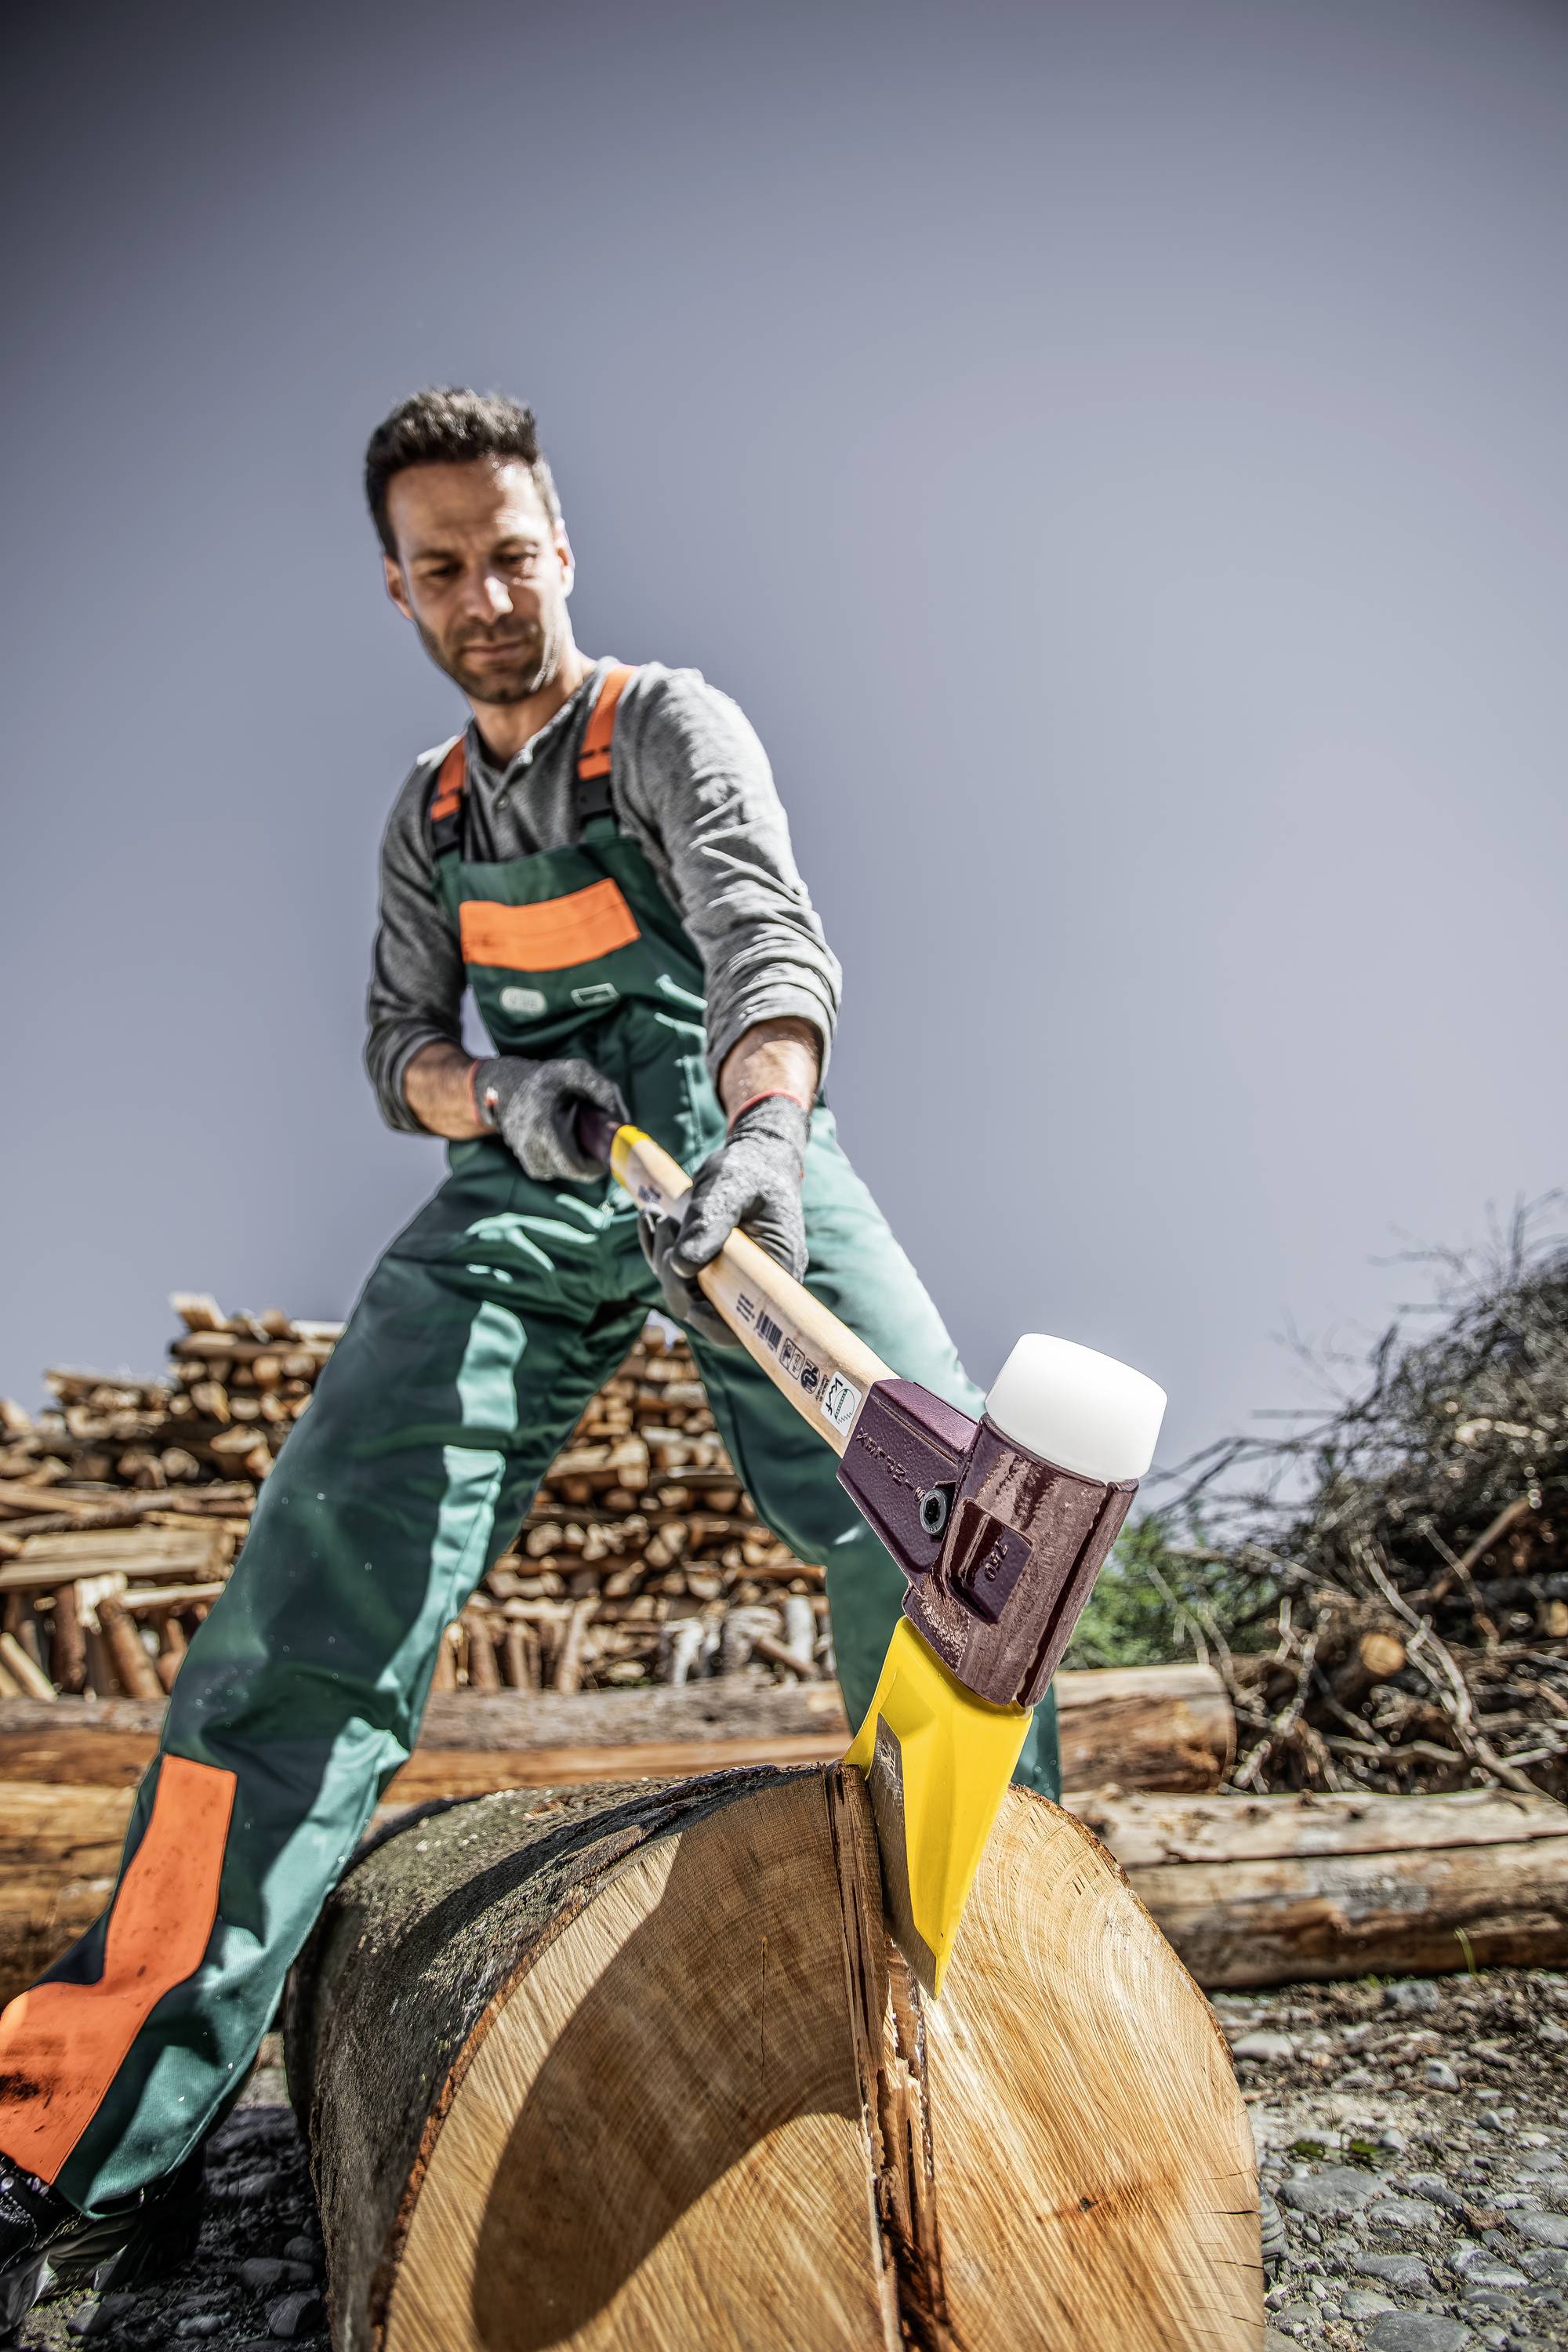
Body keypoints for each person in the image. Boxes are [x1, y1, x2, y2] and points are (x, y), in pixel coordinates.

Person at [0, 389, 1059, 2320]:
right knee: (305, 1599)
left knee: (955, 1525)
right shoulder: (426, 818)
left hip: (733, 1167)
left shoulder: (663, 726)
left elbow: (765, 939)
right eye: (441, 570)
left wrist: (765, 1134)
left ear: (559, 546)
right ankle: (79, 2142)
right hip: (536, 1179)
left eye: (508, 554)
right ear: (397, 591)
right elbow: (396, 1053)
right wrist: (501, 1099)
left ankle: (1005, 2026)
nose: (483, 596)